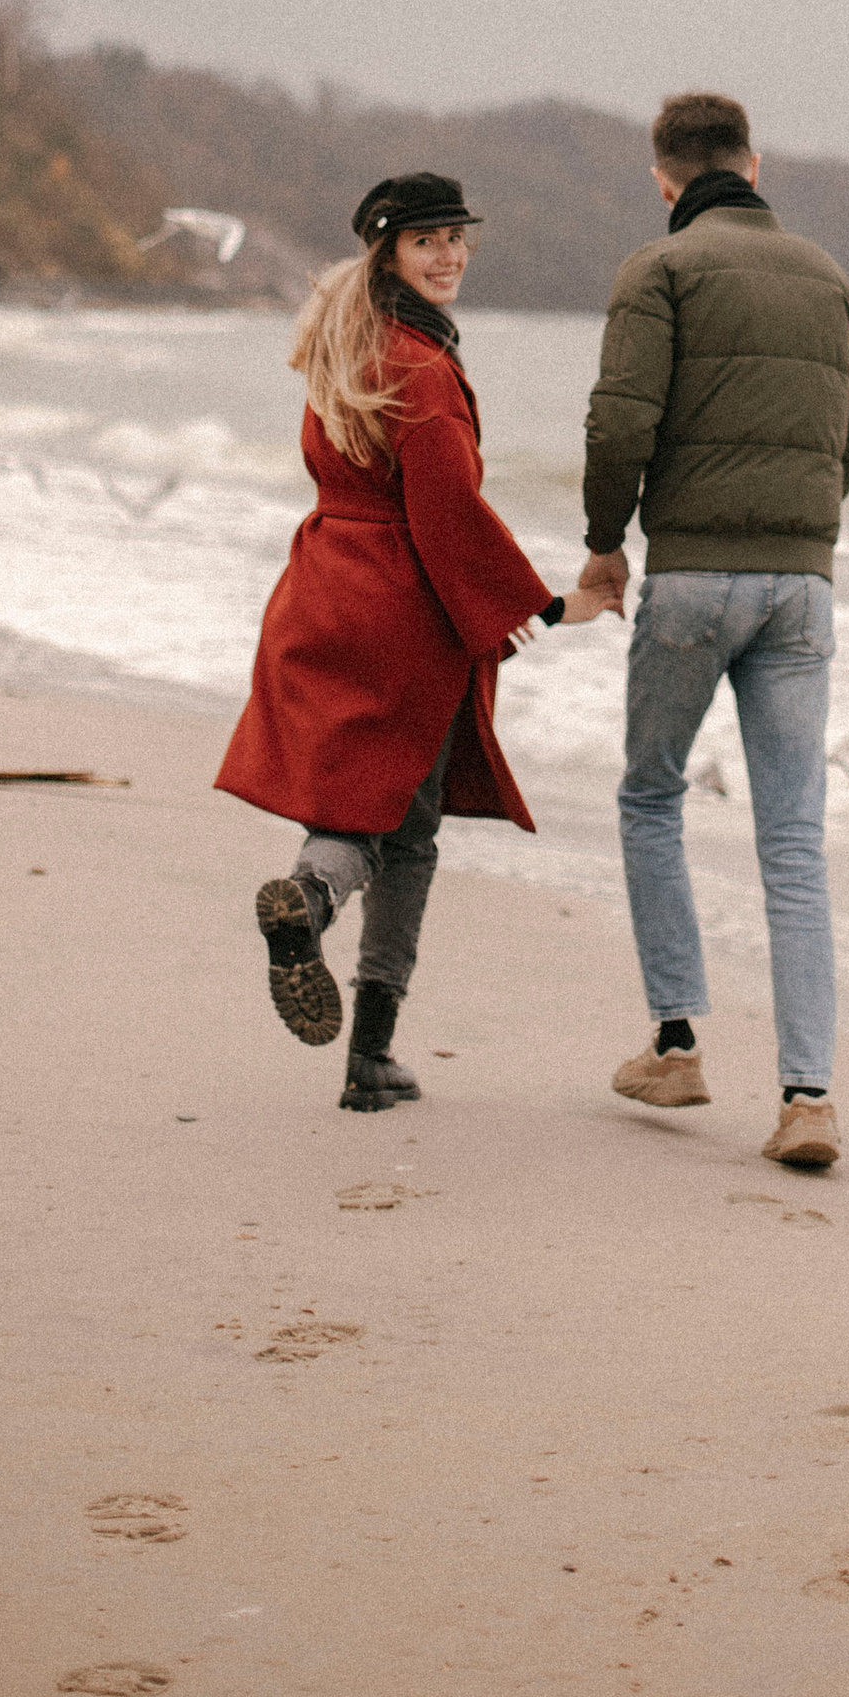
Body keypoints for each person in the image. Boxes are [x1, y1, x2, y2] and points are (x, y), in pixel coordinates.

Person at [217, 169, 616, 1112]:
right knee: (408, 826)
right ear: (388, 252)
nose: (449, 256)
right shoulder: (425, 370)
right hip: (401, 609)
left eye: (456, 239)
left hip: (323, 588)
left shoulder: (345, 348)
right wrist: (554, 604)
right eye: (426, 242)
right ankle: (363, 1028)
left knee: (362, 795)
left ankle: (312, 912)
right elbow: (447, 512)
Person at [578, 93, 849, 1171]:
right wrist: (801, 537)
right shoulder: (830, 277)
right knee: (793, 841)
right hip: (803, 586)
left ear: (664, 180)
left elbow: (620, 420)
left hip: (693, 580)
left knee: (651, 792)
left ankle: (677, 1041)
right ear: (756, 163)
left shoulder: (658, 272)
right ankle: (807, 1097)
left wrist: (608, 541)